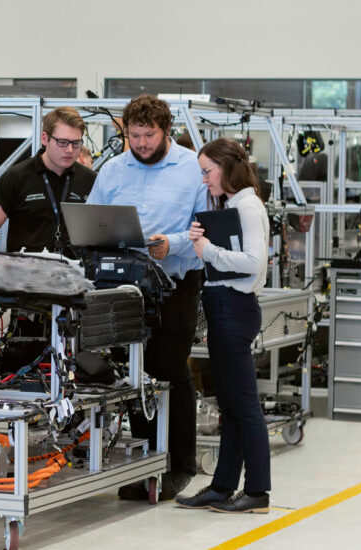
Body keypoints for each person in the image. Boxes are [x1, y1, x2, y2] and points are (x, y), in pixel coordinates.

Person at [86, 94, 206, 500]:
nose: (140, 143)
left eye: (148, 135)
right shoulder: (114, 169)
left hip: (175, 285)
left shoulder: (192, 168)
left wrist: (170, 244)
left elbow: (204, 228)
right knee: (135, 376)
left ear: (165, 130)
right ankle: (147, 463)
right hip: (125, 288)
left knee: (168, 369)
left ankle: (180, 465)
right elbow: (91, 219)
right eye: (134, 135)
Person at [176, 137, 271, 513]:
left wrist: (209, 251)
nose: (204, 180)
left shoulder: (248, 206)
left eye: (207, 171)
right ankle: (222, 486)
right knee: (231, 405)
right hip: (222, 305)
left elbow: (253, 263)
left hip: (235, 307)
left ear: (226, 166)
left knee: (245, 406)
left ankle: (258, 492)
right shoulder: (232, 205)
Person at [0, 106, 96, 255]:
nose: (69, 150)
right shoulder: (17, 176)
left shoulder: (90, 180)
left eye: (76, 143)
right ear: (45, 139)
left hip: (75, 272)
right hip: (27, 273)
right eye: (62, 142)